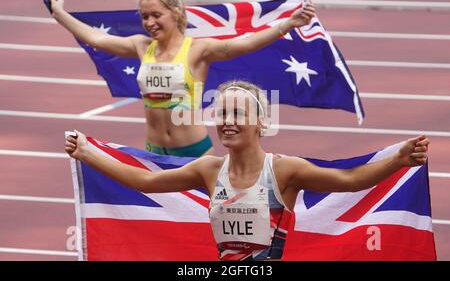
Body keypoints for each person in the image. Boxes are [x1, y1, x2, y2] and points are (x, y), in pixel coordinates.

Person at [65, 80, 430, 261]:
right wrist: (86, 153)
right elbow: (144, 181)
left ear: (261, 123)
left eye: (238, 114)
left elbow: (350, 181)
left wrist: (398, 160)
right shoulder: (208, 170)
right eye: (222, 113)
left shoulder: (284, 171)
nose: (227, 121)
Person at [51, 0, 315, 157]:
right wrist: (59, 13)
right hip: (153, 151)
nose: (149, 23)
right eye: (144, 17)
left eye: (156, 15)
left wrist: (287, 25)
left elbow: (244, 44)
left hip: (193, 152)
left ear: (176, 13)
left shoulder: (198, 50)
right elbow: (96, 39)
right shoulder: (142, 46)